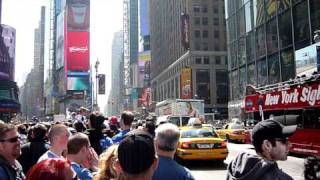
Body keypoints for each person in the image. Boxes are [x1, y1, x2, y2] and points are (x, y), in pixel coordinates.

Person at [226, 119, 297, 180]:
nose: (290, 145)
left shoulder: (233, 169)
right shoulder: (281, 178)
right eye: (284, 141)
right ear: (267, 145)